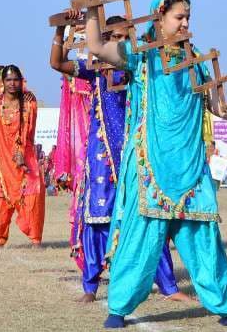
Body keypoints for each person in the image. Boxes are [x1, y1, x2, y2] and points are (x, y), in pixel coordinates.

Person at [79, 0, 227, 328]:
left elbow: (218, 107)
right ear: (160, 17)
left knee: (205, 241)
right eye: (179, 17)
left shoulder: (195, 60)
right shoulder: (140, 54)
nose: (185, 23)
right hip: (150, 166)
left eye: (188, 16)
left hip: (190, 167)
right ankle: (119, 308)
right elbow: (96, 45)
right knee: (139, 242)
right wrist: (93, 4)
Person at [50, 18, 188, 302]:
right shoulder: (96, 70)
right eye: (113, 37)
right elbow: (57, 64)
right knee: (98, 217)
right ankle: (90, 286)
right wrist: (59, 31)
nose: (119, 43)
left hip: (138, 151)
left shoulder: (142, 68)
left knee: (148, 215)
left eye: (125, 37)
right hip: (102, 153)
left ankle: (168, 287)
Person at [0, 65, 44, 247]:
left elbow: (30, 133)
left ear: (21, 81)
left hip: (24, 155)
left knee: (33, 192)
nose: (12, 83)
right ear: (2, 83)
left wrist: (20, 151)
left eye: (16, 80)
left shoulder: (30, 103)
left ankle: (35, 239)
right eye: (8, 80)